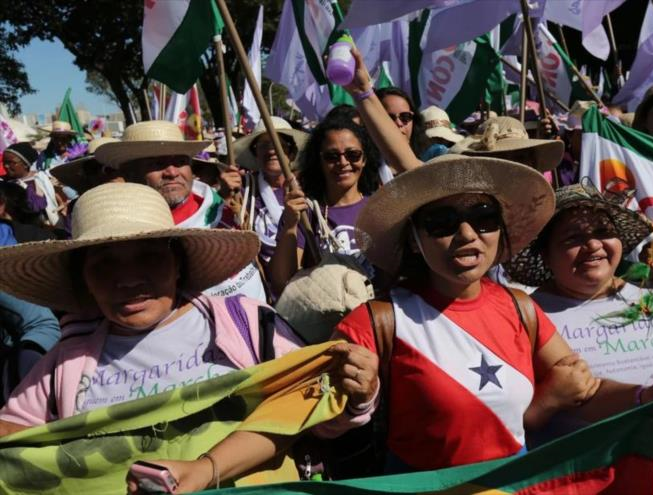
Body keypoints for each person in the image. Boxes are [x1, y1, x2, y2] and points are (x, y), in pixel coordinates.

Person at [0, 183, 379, 492]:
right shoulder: (64, 364)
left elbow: (312, 415)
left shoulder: (245, 323)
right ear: (84, 278)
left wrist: (357, 397)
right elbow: (14, 447)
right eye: (105, 263)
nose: (128, 279)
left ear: (177, 262)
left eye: (148, 256)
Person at [337, 153, 653, 473]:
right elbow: (318, 427)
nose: (467, 234)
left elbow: (582, 391)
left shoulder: (522, 308)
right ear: (413, 239)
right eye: (442, 222)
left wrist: (650, 395)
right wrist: (359, 403)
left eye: (484, 217)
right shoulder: (376, 321)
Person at [503, 182, 653, 492]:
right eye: (573, 238)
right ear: (545, 255)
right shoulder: (526, 315)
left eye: (602, 232)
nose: (593, 246)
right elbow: (508, 413)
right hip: (578, 483)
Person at [96, 121, 267, 302]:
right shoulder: (123, 231)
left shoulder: (220, 205)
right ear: (130, 174)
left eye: (180, 162)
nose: (172, 172)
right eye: (158, 163)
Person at [267, 116, 380, 295]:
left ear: (364, 159)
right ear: (319, 161)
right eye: (332, 156)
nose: (343, 163)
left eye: (353, 155)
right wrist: (290, 226)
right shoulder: (304, 212)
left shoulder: (380, 210)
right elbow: (281, 283)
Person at [229, 116, 309, 266]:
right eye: (264, 145)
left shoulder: (308, 190)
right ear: (255, 154)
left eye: (279, 144)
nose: (271, 151)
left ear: (291, 153)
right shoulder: (243, 189)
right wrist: (224, 194)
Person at [451, 116, 564, 173]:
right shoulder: (470, 206)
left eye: (520, 157)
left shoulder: (537, 204)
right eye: (500, 158)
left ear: (533, 162)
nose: (512, 164)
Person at [2, 142, 63, 226]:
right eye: (4, 162)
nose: (6, 166)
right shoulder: (4, 184)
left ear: (25, 164)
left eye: (10, 162)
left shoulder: (42, 179)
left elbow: (57, 201)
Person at [376, 87, 443, 162]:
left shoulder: (434, 158)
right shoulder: (362, 162)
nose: (399, 123)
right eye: (389, 118)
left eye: (405, 116)